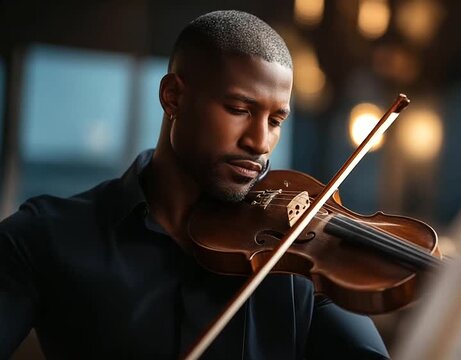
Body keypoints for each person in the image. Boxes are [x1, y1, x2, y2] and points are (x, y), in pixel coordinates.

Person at [0, 10, 390, 359]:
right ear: (173, 97)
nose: (260, 142)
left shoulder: (295, 257)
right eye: (240, 110)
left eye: (275, 121)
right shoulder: (45, 235)